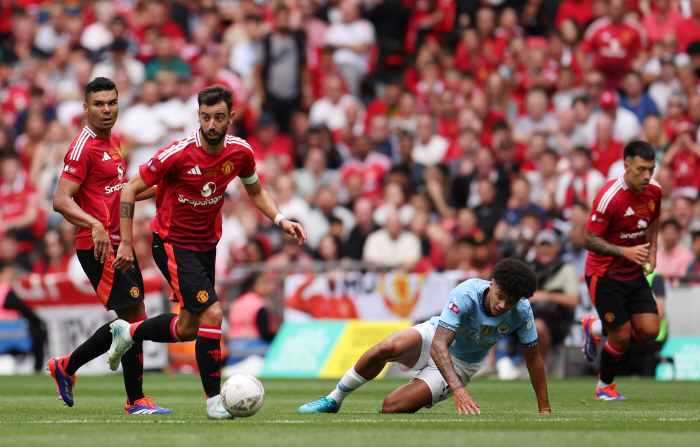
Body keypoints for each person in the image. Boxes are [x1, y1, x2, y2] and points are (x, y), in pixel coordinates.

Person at [107, 85, 306, 420]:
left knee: (188, 328)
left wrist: (280, 218)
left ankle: (127, 332)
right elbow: (130, 189)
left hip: (206, 245)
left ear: (231, 117)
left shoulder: (240, 153)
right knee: (213, 316)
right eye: (205, 117)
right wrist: (126, 242)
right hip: (172, 241)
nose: (211, 124)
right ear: (198, 116)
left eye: (218, 117)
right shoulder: (178, 153)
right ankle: (214, 402)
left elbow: (255, 190)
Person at [48, 77, 169, 414]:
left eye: (112, 103)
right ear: (85, 107)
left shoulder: (114, 141)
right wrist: (95, 224)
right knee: (133, 321)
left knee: (135, 319)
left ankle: (68, 367)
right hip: (98, 245)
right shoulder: (82, 146)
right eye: (99, 104)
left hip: (120, 243)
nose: (106, 110)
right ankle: (134, 399)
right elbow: (61, 200)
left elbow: (120, 192)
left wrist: (163, 187)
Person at [297, 258, 550, 415]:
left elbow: (533, 359)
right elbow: (439, 343)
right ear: (492, 283)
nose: (503, 305)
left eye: (511, 301)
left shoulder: (522, 311)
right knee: (386, 347)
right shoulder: (466, 293)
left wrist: (544, 409)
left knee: (391, 408)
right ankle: (333, 400)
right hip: (435, 336)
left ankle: (418, 391)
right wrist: (458, 390)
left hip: (463, 363)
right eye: (500, 295)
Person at [581, 141, 661, 401]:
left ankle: (595, 328)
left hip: (633, 272)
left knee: (650, 331)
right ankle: (605, 387)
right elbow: (588, 240)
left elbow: (655, 218)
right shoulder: (609, 197)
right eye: (641, 169)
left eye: (651, 169)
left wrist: (654, 249)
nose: (647, 176)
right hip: (604, 275)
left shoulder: (655, 191)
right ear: (626, 166)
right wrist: (625, 252)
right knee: (622, 335)